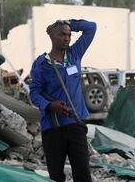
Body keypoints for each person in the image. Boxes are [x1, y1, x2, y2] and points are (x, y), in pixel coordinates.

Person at [29, 19, 96, 182]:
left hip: (75, 125)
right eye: (62, 34)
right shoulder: (41, 64)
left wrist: (68, 24)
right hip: (52, 128)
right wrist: (49, 105)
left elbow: (91, 27)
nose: (66, 38)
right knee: (56, 176)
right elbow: (34, 93)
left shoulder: (74, 55)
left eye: (69, 35)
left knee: (83, 175)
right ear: (52, 36)